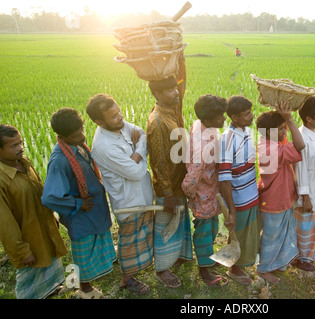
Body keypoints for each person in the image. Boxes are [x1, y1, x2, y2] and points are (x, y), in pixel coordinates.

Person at [41, 108, 116, 299]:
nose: (82, 136)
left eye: (82, 130)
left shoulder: (77, 147)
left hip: (94, 211)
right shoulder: (60, 160)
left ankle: (96, 275)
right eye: (76, 135)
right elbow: (50, 197)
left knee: (97, 243)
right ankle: (85, 288)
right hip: (82, 215)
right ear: (62, 136)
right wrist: (78, 204)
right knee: (84, 251)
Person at [86, 94, 154, 294]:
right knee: (129, 241)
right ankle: (127, 279)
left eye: (119, 112)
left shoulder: (119, 125)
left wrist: (136, 153)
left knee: (142, 236)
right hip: (128, 201)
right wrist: (140, 150)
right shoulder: (103, 146)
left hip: (142, 194)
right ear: (100, 121)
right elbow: (136, 172)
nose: (121, 118)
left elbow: (142, 134)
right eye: (114, 116)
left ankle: (135, 271)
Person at [0, 124, 67, 299]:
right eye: (13, 145)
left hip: (44, 227)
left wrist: (52, 215)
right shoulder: (2, 178)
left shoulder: (24, 163)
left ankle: (50, 290)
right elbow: (4, 222)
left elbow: (40, 192)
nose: (20, 148)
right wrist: (22, 251)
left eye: (20, 143)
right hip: (27, 237)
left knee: (49, 260)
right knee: (29, 275)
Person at [147, 76, 193, 288]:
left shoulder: (172, 110)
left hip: (178, 180)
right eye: (170, 90)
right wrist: (166, 194)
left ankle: (179, 256)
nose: (176, 93)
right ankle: (162, 268)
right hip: (168, 187)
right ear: (157, 94)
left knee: (178, 222)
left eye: (176, 88)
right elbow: (159, 161)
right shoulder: (157, 122)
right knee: (165, 226)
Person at [181, 94, 229, 287]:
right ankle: (204, 270)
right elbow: (193, 173)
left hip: (210, 190)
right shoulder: (203, 143)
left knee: (212, 227)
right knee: (203, 231)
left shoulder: (203, 125)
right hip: (202, 193)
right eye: (220, 117)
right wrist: (189, 191)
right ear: (208, 120)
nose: (224, 119)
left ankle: (208, 259)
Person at [255, 102, 305, 284]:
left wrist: (283, 117)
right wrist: (290, 121)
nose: (285, 132)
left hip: (280, 198)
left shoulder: (269, 141)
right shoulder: (272, 149)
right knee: (271, 236)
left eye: (284, 128)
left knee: (279, 234)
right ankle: (264, 269)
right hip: (274, 200)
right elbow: (300, 146)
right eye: (281, 129)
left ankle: (275, 263)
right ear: (269, 132)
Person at [218, 95, 260, 286]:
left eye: (250, 112)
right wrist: (232, 210)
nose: (251, 116)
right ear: (234, 117)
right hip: (239, 199)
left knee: (248, 233)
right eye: (246, 114)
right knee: (239, 234)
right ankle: (234, 268)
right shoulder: (227, 140)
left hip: (250, 193)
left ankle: (241, 265)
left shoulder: (245, 131)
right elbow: (224, 179)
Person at [291, 96, 315, 271]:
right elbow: (300, 169)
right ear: (308, 119)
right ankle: (302, 259)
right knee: (304, 226)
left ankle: (307, 255)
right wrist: (305, 197)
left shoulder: (313, 134)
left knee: (311, 224)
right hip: (307, 193)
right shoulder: (303, 139)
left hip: (314, 190)